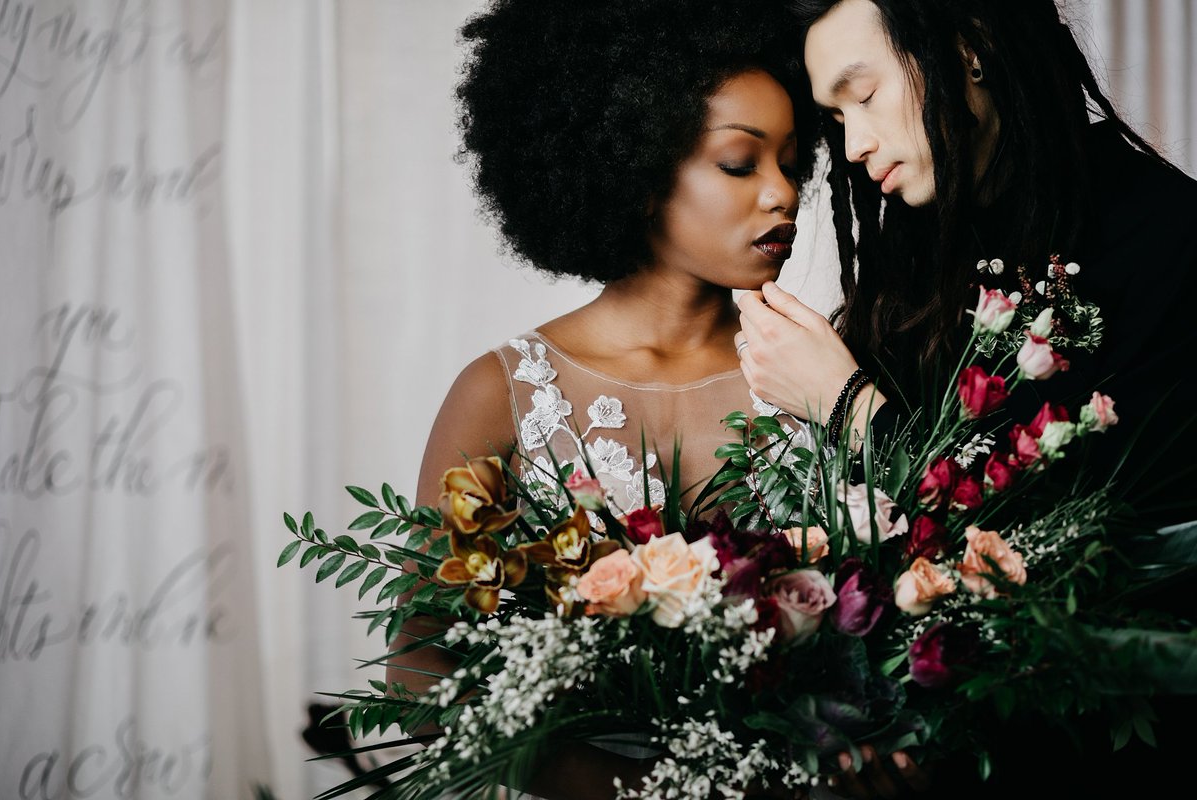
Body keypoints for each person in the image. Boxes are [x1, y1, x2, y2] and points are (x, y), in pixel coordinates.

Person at [734, 0, 1197, 796]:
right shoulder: (920, 256)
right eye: (835, 116)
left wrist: (845, 403)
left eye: (864, 94)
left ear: (969, 47)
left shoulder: (1170, 238)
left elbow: (1075, 565)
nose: (854, 144)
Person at [387, 2, 822, 797]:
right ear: (638, 162)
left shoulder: (820, 372)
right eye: (740, 162)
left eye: (791, 162)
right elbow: (419, 663)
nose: (782, 194)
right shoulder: (504, 392)